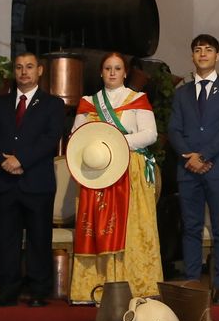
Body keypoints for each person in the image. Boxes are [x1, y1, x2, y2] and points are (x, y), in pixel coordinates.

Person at [68, 52, 161, 303]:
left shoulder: (137, 99)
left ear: (125, 73)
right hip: (97, 172)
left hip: (127, 171)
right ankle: (93, 287)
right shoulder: (89, 102)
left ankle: (135, 286)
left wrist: (116, 142)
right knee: (97, 227)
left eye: (117, 68)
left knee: (129, 227)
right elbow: (76, 135)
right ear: (101, 72)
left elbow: (149, 134)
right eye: (108, 68)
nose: (112, 72)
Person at [0, 52, 66, 307]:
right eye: (19, 67)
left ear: (40, 70)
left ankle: (39, 292)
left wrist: (21, 160)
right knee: (6, 238)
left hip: (37, 183)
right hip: (4, 182)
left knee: (39, 238)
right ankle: (8, 290)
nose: (24, 72)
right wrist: (3, 161)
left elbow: (50, 138)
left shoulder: (53, 104)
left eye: (29, 67)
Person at [167, 34, 219, 305]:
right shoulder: (182, 93)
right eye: (197, 50)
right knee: (191, 228)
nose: (202, 54)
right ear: (192, 56)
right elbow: (173, 129)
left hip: (218, 167)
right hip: (188, 169)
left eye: (208, 50)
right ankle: (192, 284)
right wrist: (190, 156)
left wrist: (205, 155)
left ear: (217, 56)